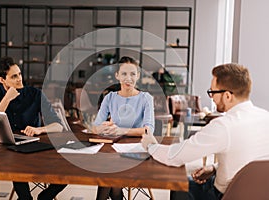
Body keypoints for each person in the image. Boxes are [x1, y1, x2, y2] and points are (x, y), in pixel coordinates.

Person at [142, 63, 269, 200]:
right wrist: (214, 168)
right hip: (260, 194)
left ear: (227, 96)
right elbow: (251, 161)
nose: (212, 97)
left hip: (226, 195)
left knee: (180, 186)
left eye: (213, 92)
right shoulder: (265, 117)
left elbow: (175, 157)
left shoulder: (224, 126)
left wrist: (151, 146)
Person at [0, 56, 67, 200]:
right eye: (14, 76)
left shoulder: (35, 94)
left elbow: (58, 125)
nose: (19, 79)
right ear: (2, 80)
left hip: (34, 149)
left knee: (68, 168)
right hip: (5, 150)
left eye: (20, 74)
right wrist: (7, 99)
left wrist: (39, 129)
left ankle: (45, 197)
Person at [92, 56, 155, 200]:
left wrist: (122, 131)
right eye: (124, 74)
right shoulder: (110, 98)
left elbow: (148, 129)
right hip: (113, 151)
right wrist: (103, 127)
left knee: (109, 175)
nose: (129, 78)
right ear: (117, 76)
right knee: (109, 171)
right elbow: (95, 127)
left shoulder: (146, 98)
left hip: (136, 152)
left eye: (133, 74)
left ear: (138, 76)